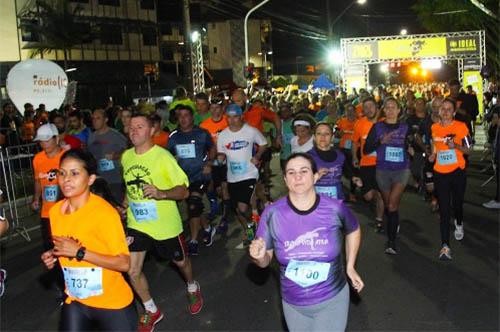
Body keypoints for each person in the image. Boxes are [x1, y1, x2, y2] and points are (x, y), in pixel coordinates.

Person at [249, 153, 363, 331]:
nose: (298, 177)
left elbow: (353, 229)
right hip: (293, 303)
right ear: (286, 180)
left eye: (304, 171)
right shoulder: (272, 213)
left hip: (331, 298)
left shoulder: (335, 208)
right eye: (291, 173)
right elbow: (264, 262)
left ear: (316, 176)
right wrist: (258, 256)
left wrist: (350, 266)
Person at [121, 112, 203, 332]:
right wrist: (125, 204)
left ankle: (192, 286)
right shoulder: (126, 157)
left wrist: (161, 193)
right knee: (132, 270)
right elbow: (130, 187)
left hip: (165, 226)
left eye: (139, 126)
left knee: (180, 262)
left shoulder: (163, 157)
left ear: (151, 131)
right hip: (137, 224)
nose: (133, 130)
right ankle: (151, 310)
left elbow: (184, 191)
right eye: (131, 127)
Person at [40, 149, 137, 331]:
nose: (66, 179)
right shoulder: (55, 212)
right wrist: (54, 254)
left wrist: (80, 252)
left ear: (91, 179)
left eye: (75, 173)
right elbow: (68, 244)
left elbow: (124, 263)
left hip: (112, 304)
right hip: (76, 301)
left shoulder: (104, 213)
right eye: (62, 173)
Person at [167, 105, 216, 255]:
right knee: (195, 206)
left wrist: (209, 163)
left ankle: (193, 241)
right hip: (183, 179)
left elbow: (212, 148)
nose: (183, 118)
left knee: (193, 205)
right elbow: (168, 156)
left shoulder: (202, 133)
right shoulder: (173, 136)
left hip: (200, 175)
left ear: (192, 117)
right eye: (180, 116)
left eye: (186, 115)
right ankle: (208, 228)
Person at [364, 97, 411, 254]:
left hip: (401, 170)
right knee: (390, 207)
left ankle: (391, 242)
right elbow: (366, 149)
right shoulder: (377, 127)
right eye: (387, 107)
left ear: (399, 110)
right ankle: (393, 222)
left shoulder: (405, 127)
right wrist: (380, 142)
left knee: (391, 205)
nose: (390, 110)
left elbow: (409, 143)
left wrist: (410, 149)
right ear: (383, 110)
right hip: (383, 170)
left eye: (393, 107)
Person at [216, 104, 267, 245]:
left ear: (241, 116)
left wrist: (257, 155)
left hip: (249, 173)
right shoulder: (223, 135)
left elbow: (263, 143)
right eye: (229, 117)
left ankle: (253, 226)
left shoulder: (251, 131)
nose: (232, 120)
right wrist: (220, 158)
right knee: (238, 209)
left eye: (235, 117)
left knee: (243, 207)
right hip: (232, 176)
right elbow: (221, 153)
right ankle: (250, 227)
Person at [429, 98, 472, 260]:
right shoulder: (434, 127)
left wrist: (456, 146)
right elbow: (435, 142)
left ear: (454, 112)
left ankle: (459, 223)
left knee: (457, 204)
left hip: (457, 172)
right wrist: (433, 153)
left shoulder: (461, 127)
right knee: (444, 208)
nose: (445, 111)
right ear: (438, 111)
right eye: (443, 109)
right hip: (440, 173)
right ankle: (445, 245)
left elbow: (469, 151)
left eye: (449, 109)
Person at [352, 97, 385, 231]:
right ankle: (376, 204)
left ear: (377, 107)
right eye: (366, 107)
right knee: (368, 196)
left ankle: (379, 220)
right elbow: (355, 142)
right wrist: (354, 156)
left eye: (371, 106)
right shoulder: (359, 123)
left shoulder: (384, 123)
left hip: (382, 164)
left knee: (380, 193)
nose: (369, 109)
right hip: (366, 164)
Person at [200, 97, 230, 229]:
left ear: (222, 109)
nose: (214, 111)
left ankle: (224, 219)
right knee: (211, 187)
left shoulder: (228, 121)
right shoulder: (204, 125)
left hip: (227, 160)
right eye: (212, 108)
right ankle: (214, 203)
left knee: (224, 189)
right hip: (212, 161)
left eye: (217, 108)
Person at [87, 109, 128, 203]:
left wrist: (117, 155)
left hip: (115, 180)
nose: (95, 121)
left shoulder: (116, 135)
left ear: (106, 120)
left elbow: (128, 151)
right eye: (93, 118)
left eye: (98, 118)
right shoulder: (91, 137)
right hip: (99, 180)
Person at [308, 122, 347, 201]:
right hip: (315, 202)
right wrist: (316, 176)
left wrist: (354, 177)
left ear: (332, 137)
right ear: (314, 137)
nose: (323, 137)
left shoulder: (340, 155)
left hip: (337, 201)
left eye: (327, 134)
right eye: (319, 133)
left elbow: (347, 170)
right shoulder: (307, 157)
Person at [336, 103, 357, 201]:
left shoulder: (359, 122)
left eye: (352, 111)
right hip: (343, 148)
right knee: (343, 170)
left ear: (355, 112)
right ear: (345, 112)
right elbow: (336, 134)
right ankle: (342, 190)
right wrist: (339, 133)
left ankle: (352, 193)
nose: (350, 113)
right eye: (348, 111)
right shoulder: (341, 121)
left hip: (355, 149)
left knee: (353, 170)